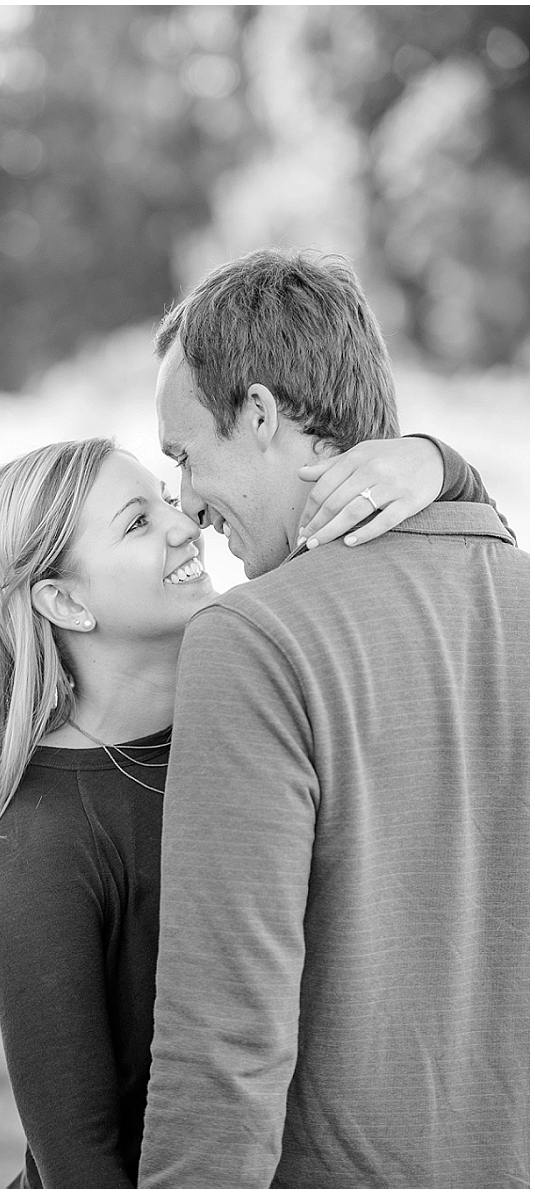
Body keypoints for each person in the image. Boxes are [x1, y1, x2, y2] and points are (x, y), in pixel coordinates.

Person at [0, 417, 509, 1189]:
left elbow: (474, 545)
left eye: (168, 498)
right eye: (139, 523)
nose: (185, 522)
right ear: (64, 602)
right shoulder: (46, 833)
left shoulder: (251, 713)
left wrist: (433, 461)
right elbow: (75, 1160)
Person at [138, 248, 529, 1189]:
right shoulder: (517, 587)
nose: (185, 502)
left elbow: (223, 1034)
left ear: (263, 414)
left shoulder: (251, 639)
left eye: (187, 456)